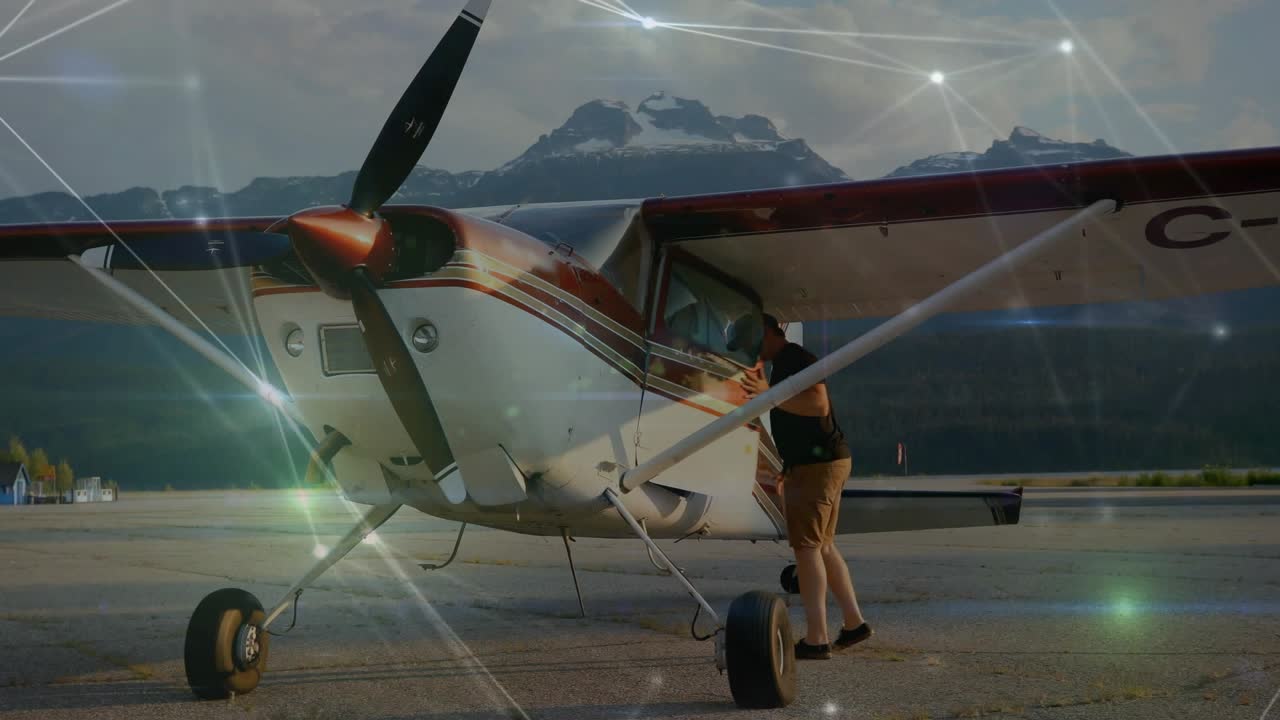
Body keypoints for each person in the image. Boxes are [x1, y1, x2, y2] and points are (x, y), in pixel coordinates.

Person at [741, 314, 871, 660]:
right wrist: (787, 466)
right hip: (819, 463)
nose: (752, 350)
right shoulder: (787, 361)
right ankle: (854, 623)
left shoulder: (796, 358)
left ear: (768, 333)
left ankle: (817, 639)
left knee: (807, 549)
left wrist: (769, 395)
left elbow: (818, 404)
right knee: (824, 546)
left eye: (754, 341)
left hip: (818, 466)